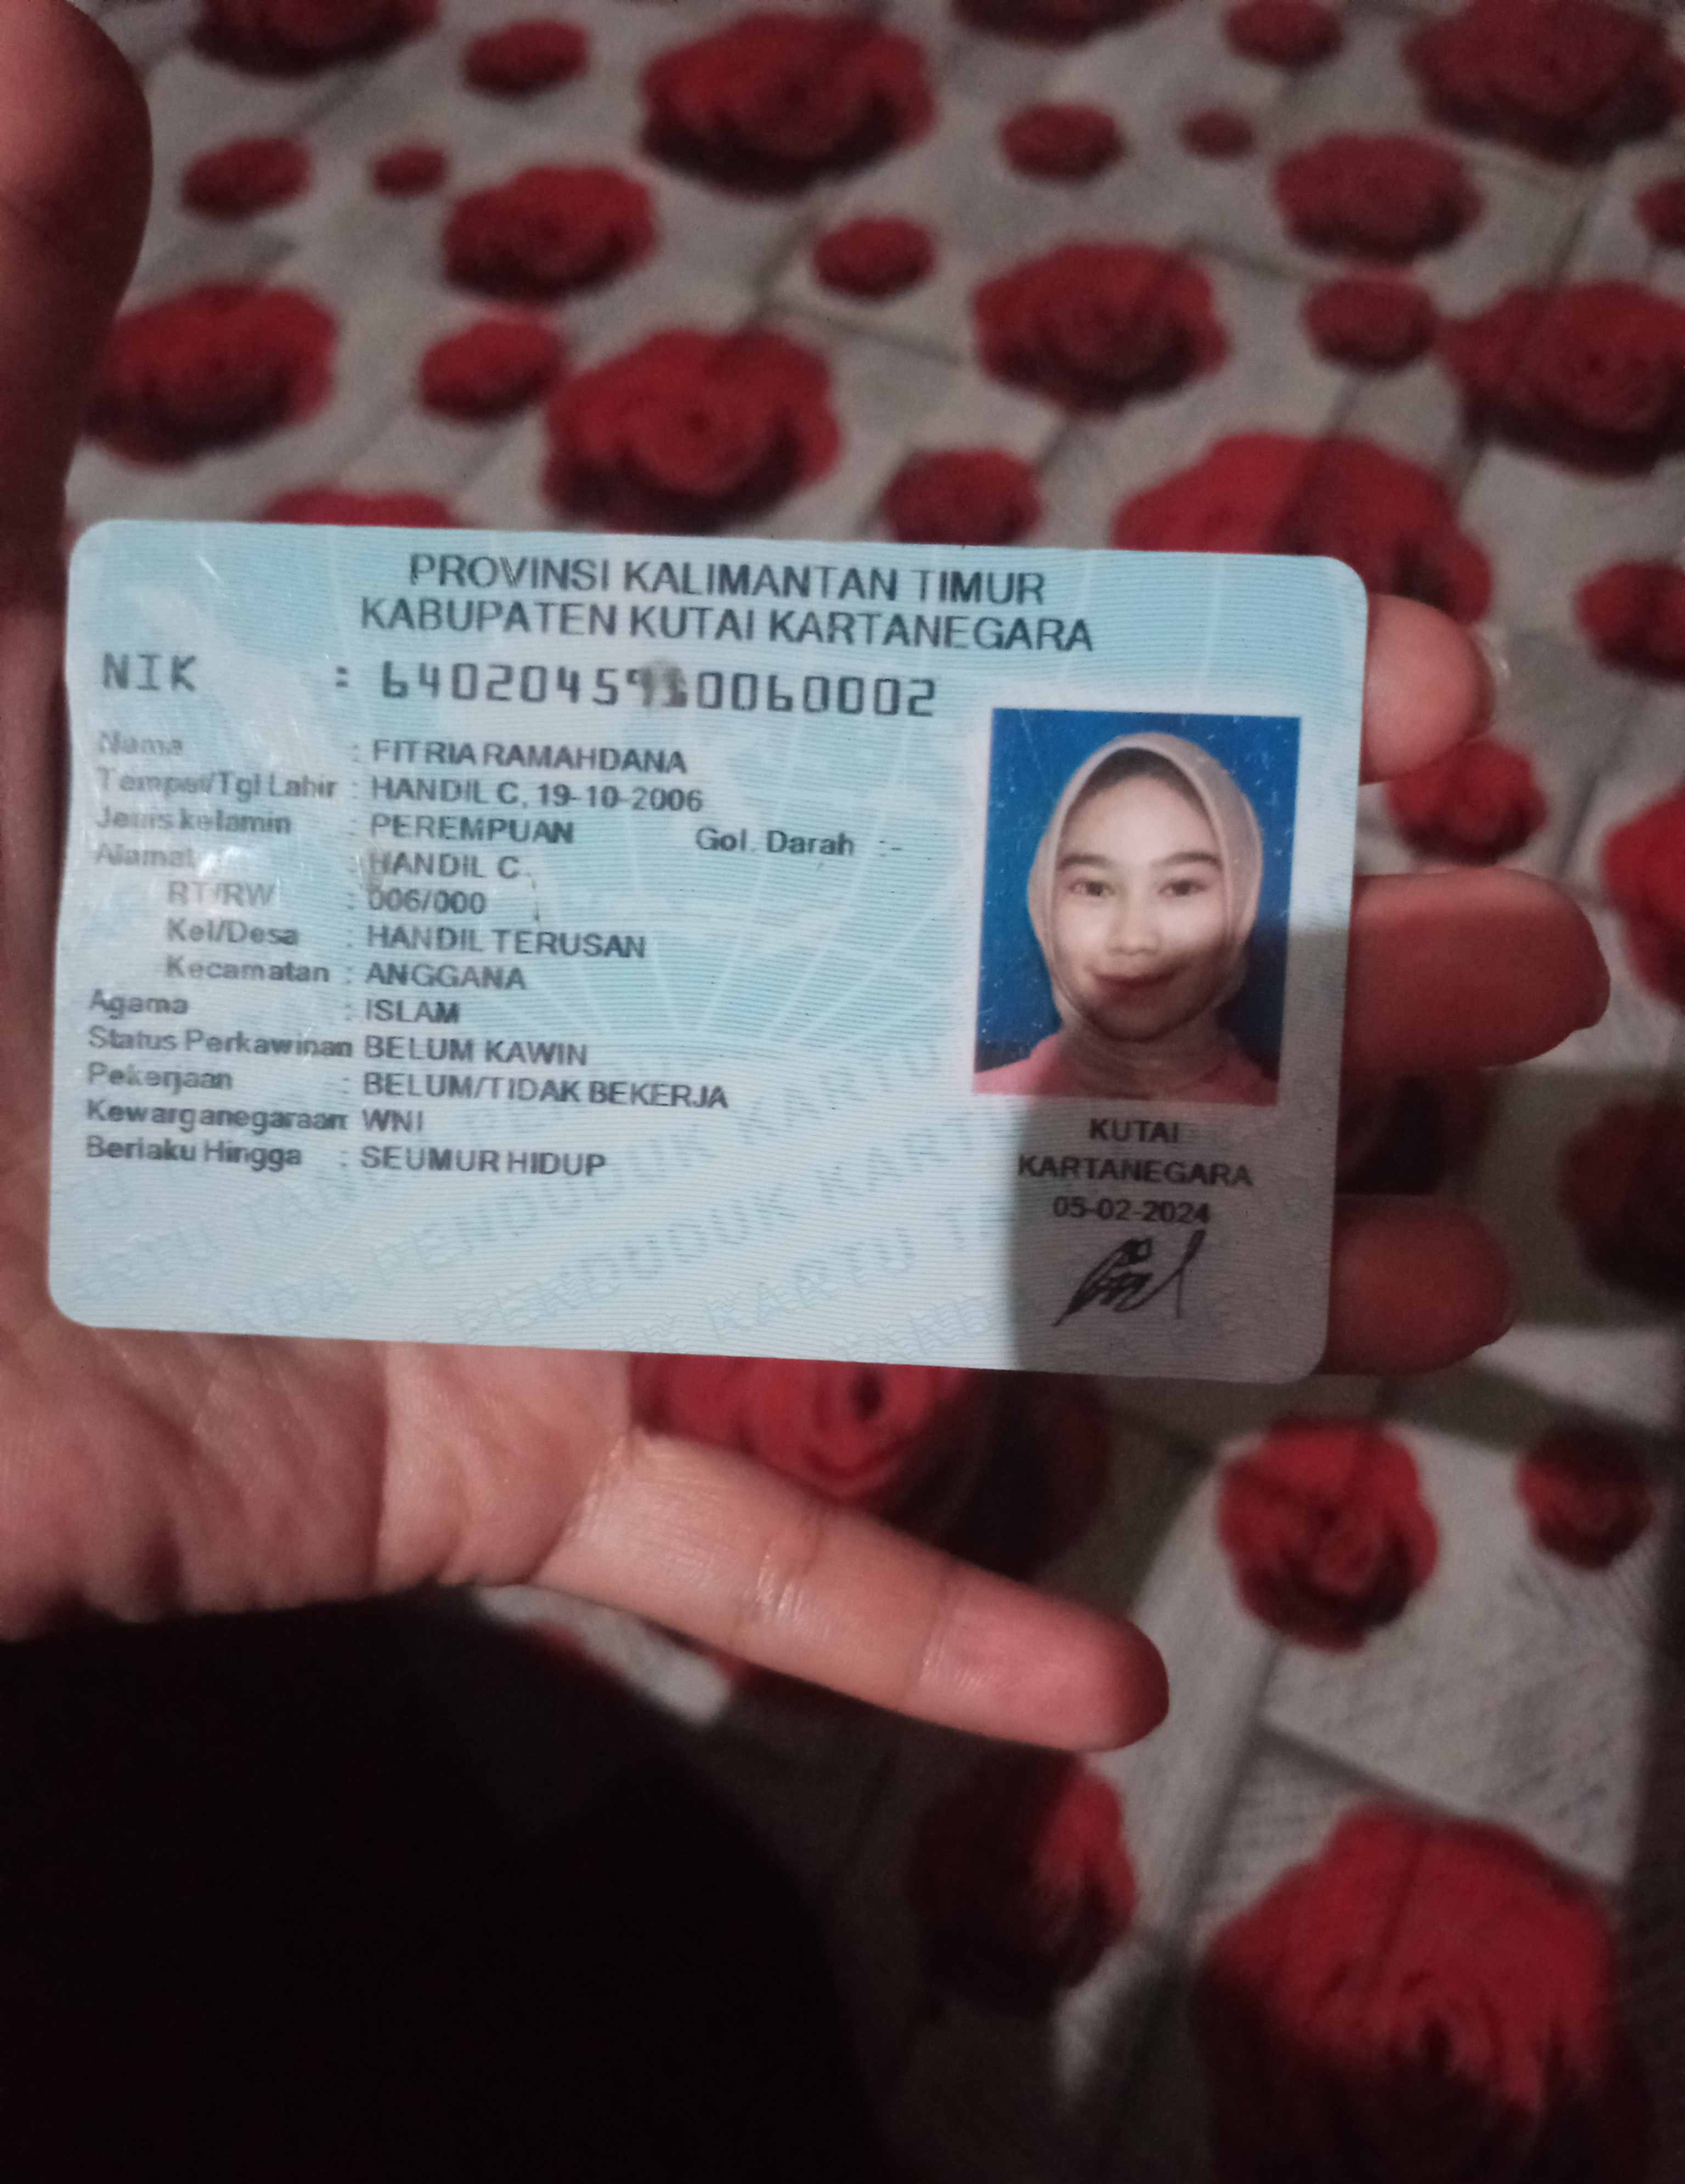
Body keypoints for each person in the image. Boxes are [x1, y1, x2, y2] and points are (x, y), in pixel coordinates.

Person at [0, 0, 1610, 1756]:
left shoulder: (1161, 1136)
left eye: (1180, 885)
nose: (1136, 929)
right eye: (1091, 881)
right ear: (1040, 904)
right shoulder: (994, 1071)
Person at [977, 732, 1275, 1102]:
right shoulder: (965, 1111)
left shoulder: (1311, 1124)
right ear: (1043, 902)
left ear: (1242, 903)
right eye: (1095, 889)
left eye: (1181, 888)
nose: (1133, 940)